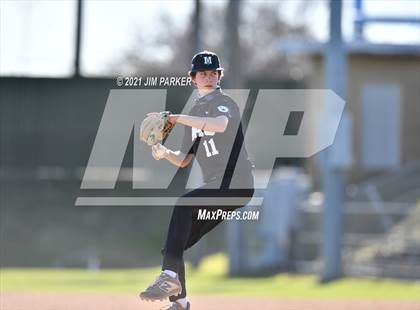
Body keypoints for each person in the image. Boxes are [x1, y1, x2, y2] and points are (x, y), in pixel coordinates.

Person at [139, 51, 255, 310]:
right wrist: (164, 152)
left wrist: (177, 118)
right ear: (192, 78)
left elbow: (220, 125)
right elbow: (184, 159)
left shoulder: (224, 102)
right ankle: (180, 303)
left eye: (213, 72)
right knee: (173, 247)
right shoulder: (195, 112)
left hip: (236, 182)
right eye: (203, 73)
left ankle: (169, 278)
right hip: (218, 186)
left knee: (183, 204)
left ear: (219, 76)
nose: (209, 77)